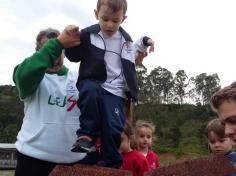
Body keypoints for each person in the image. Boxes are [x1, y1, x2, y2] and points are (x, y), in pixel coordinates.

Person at [64, 0, 155, 168]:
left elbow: (139, 44)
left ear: (123, 19)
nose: (109, 24)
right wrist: (70, 38)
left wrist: (148, 41)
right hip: (93, 83)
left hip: (115, 93)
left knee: (114, 128)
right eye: (105, 19)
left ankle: (111, 160)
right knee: (90, 91)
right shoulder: (87, 35)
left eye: (115, 20)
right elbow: (75, 56)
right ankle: (86, 136)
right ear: (96, 14)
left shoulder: (126, 42)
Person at [13, 27, 85, 176]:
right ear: (40, 53)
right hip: (32, 160)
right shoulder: (32, 78)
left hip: (75, 162)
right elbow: (24, 75)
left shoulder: (77, 77)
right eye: (51, 50)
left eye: (61, 50)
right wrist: (58, 43)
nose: (56, 57)